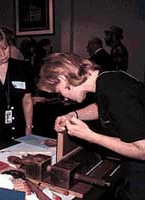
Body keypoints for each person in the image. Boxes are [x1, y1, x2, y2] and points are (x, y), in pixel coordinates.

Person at [38, 52, 145, 200]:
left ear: (63, 78)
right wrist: (74, 114)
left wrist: (90, 136)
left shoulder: (115, 91)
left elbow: (143, 150)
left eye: (59, 92)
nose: (63, 97)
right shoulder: (106, 79)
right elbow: (104, 106)